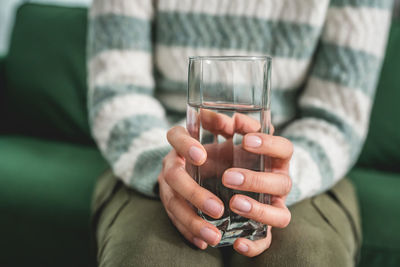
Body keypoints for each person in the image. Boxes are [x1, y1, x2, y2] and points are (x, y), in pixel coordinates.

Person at [87, 0, 394, 266]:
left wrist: (275, 180)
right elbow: (116, 92)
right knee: (154, 259)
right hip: (162, 156)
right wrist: (163, 165)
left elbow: (337, 120)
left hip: (303, 166)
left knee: (305, 258)